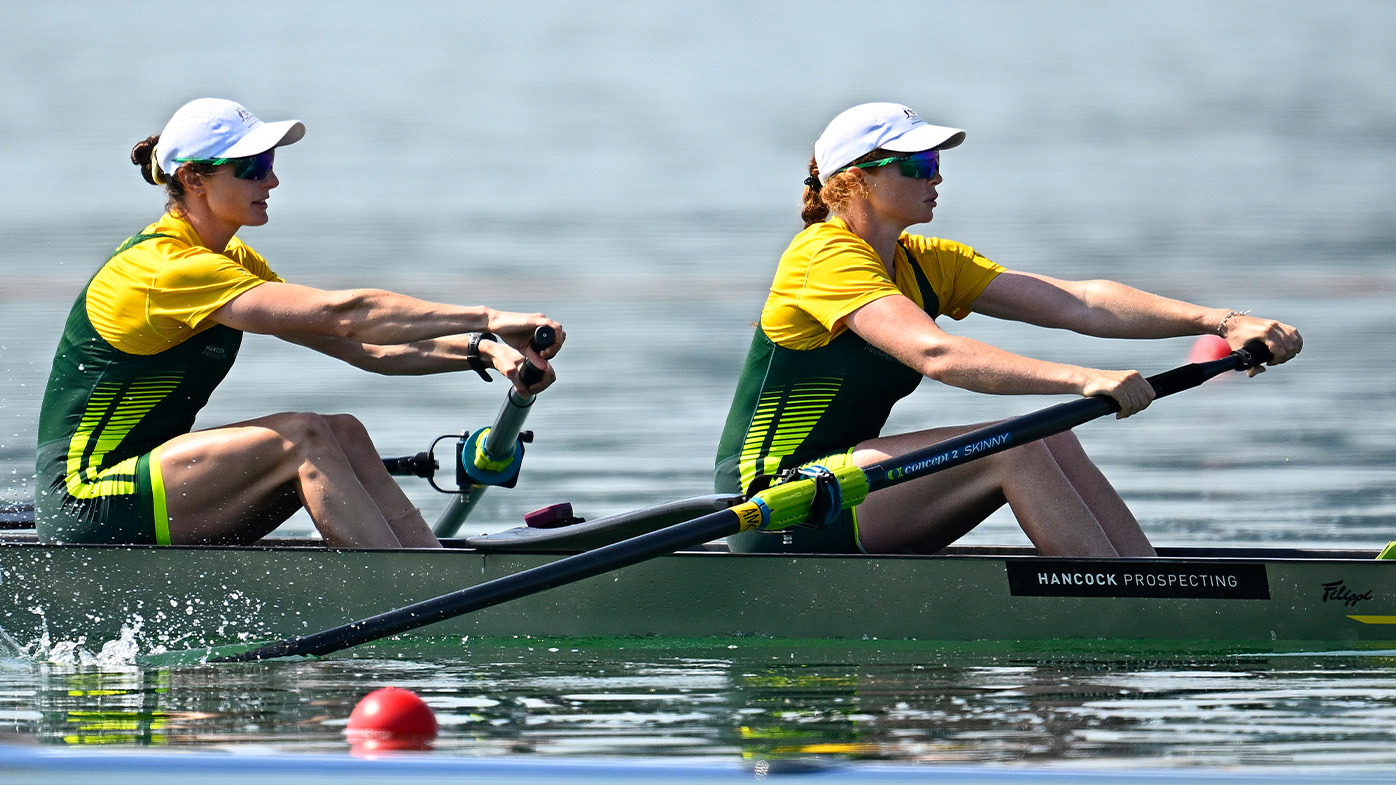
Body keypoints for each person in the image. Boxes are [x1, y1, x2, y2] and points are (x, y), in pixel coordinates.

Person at [714, 102, 1301, 557]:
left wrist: (1222, 321)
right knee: (1015, 448)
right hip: (778, 499)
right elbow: (936, 353)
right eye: (918, 165)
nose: (935, 178)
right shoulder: (824, 256)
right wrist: (1082, 380)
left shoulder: (924, 262)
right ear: (856, 180)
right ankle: (1129, 603)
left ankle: (1145, 581)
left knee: (1051, 436)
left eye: (937, 163)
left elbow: (1081, 303)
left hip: (848, 479)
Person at [35, 98, 564, 549]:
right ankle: (406, 591)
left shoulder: (231, 261)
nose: (272, 178)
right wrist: (490, 317)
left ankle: (431, 572)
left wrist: (485, 350)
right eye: (252, 166)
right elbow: (345, 314)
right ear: (194, 179)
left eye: (268, 161)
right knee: (303, 436)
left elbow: (367, 348)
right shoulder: (165, 270)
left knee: (344, 433)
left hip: (146, 484)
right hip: (88, 499)